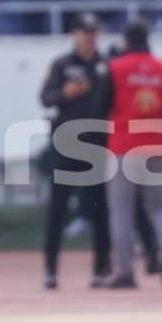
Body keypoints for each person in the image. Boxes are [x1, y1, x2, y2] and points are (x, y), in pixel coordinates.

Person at [100, 20, 162, 289]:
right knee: (160, 206)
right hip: (157, 146)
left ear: (125, 41)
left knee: (121, 212)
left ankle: (125, 272)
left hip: (124, 148)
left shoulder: (114, 69)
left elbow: (101, 105)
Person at [39, 15, 111, 290]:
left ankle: (102, 269)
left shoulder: (105, 66)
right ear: (74, 34)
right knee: (57, 208)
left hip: (96, 146)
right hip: (66, 144)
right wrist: (65, 92)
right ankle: (50, 270)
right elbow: (45, 97)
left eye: (94, 32)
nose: (90, 37)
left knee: (99, 209)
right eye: (85, 32)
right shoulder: (62, 65)